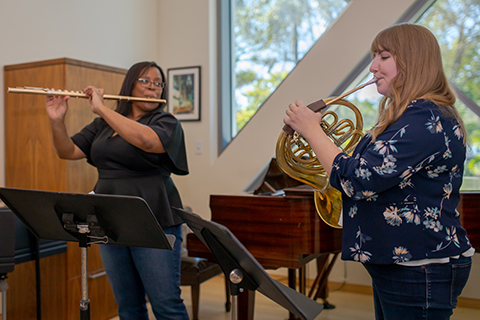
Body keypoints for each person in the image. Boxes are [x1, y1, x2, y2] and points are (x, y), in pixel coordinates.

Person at [284, 23, 474, 319]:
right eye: (374, 57)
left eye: (383, 56)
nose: (372, 67)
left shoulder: (425, 119)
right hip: (404, 264)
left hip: (417, 267)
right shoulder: (411, 116)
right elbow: (369, 167)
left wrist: (312, 132)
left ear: (412, 61)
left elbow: (358, 179)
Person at [45, 61, 190, 320]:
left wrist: (101, 108)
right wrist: (57, 120)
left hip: (154, 218)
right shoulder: (102, 126)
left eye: (158, 84)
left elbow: (146, 140)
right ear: (130, 84)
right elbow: (67, 151)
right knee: (128, 305)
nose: (152, 89)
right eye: (145, 81)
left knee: (166, 305)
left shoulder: (166, 121)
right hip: (110, 220)